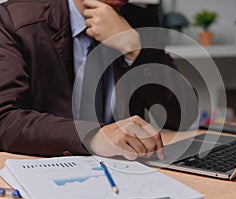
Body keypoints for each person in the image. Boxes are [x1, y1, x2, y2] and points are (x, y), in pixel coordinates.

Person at [0, 0, 197, 159]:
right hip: (46, 170)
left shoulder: (141, 20)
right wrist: (94, 136)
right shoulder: (16, 19)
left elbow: (184, 116)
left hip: (125, 172)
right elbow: (5, 120)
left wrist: (135, 50)